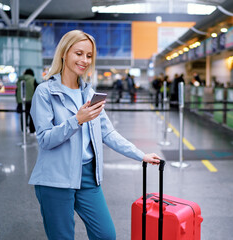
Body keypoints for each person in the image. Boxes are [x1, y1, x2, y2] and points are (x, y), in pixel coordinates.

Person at [29, 30, 161, 240]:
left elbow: (107, 132)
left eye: (89, 56)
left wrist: (140, 155)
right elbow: (45, 139)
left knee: (106, 235)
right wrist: (77, 120)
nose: (84, 60)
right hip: (56, 179)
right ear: (64, 53)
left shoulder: (89, 94)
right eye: (79, 53)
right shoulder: (45, 92)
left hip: (88, 177)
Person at [16, 68, 37, 134]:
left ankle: (24, 130)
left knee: (23, 115)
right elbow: (36, 90)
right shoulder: (33, 80)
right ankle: (32, 130)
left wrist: (18, 100)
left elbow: (16, 91)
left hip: (21, 101)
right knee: (32, 116)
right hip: (31, 100)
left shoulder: (19, 80)